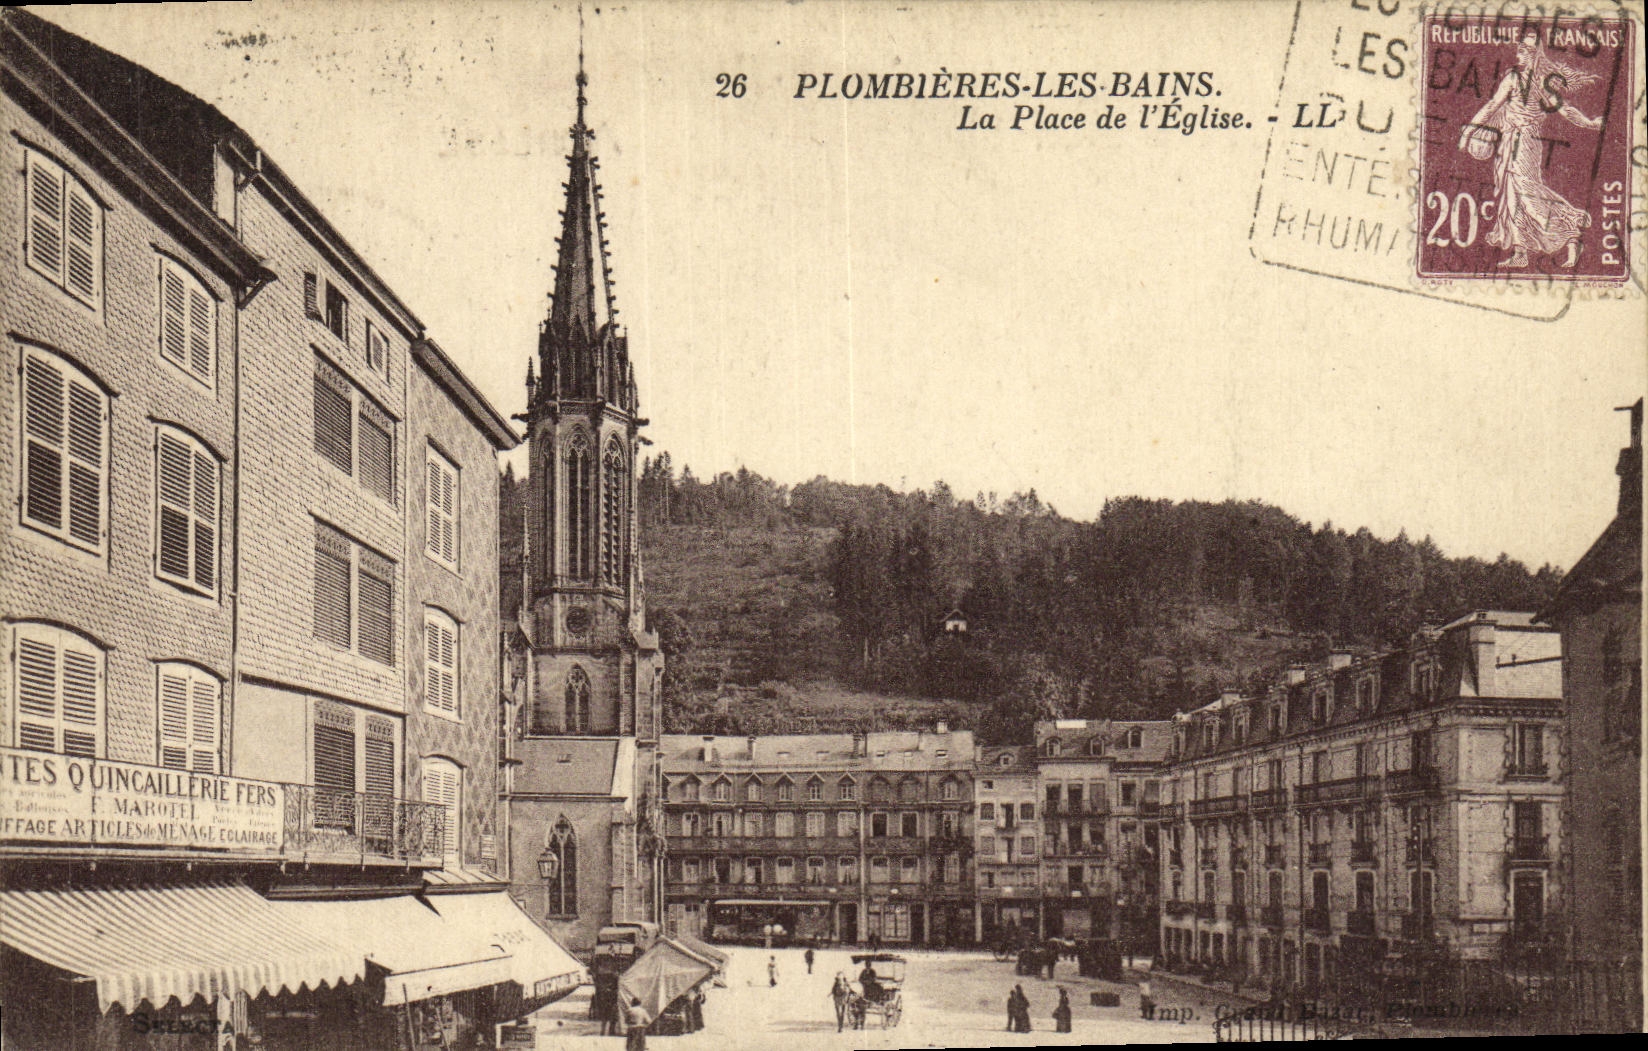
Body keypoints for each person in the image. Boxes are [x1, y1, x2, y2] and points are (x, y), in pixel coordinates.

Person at [1459, 29, 1604, 270]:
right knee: (1512, 198)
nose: (1521, 53)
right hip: (1508, 141)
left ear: (1537, 54)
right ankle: (1520, 252)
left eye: (1527, 50)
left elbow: (1565, 109)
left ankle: (1571, 232)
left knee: (1528, 194)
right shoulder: (1512, 78)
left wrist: (1589, 123)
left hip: (1527, 143)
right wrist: (1469, 131)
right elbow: (1493, 105)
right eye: (1520, 48)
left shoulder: (1542, 84)